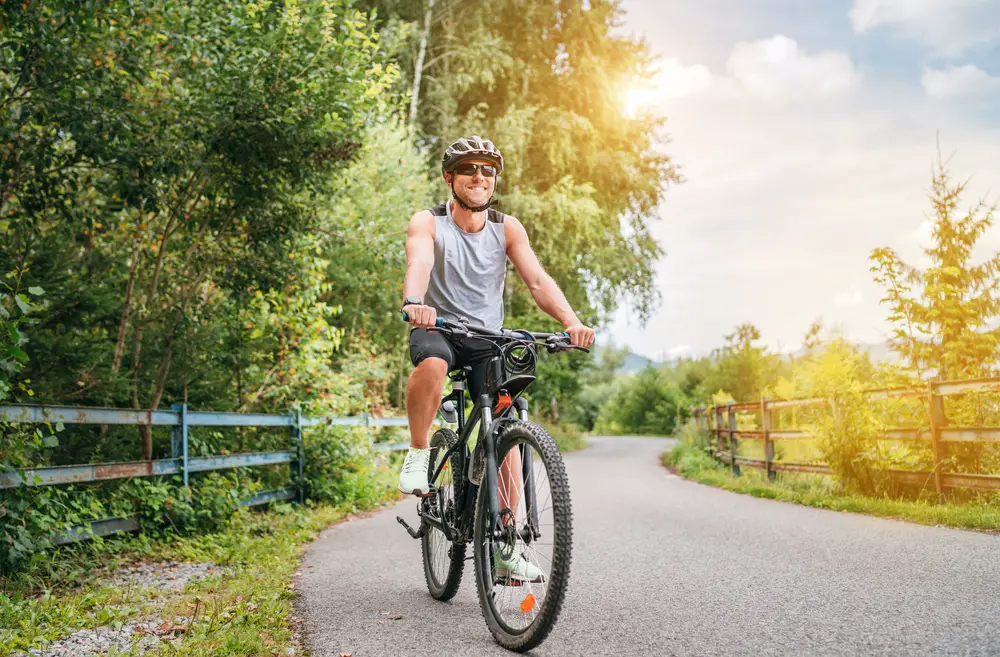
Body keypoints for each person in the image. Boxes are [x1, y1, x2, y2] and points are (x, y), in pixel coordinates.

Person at [398, 135, 594, 580]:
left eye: (487, 171)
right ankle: (416, 451)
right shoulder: (428, 222)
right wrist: (415, 300)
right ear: (450, 178)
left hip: (489, 337)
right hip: (440, 328)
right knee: (432, 363)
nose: (479, 177)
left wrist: (571, 322)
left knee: (505, 423)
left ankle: (505, 545)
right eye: (469, 169)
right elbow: (420, 261)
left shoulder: (508, 228)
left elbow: (538, 282)